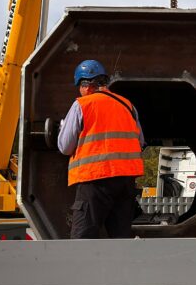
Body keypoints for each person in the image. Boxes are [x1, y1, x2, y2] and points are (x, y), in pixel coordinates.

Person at [58, 59, 144, 239]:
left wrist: (62, 128)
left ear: (86, 85)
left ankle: (84, 269)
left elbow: (65, 147)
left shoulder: (82, 105)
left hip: (94, 179)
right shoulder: (128, 106)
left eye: (79, 87)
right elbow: (140, 142)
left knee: (83, 238)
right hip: (125, 182)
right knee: (121, 238)